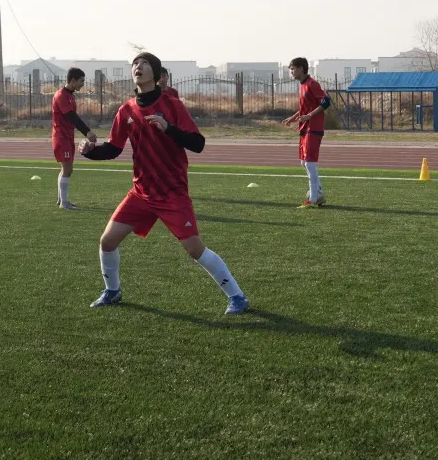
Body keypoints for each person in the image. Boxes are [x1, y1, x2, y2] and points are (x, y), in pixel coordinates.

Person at [83, 52, 250, 315]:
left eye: (144, 63)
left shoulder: (172, 105)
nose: (138, 67)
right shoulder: (126, 110)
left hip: (172, 193)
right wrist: (90, 152)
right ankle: (112, 291)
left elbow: (198, 144)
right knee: (107, 241)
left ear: (156, 74)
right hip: (141, 192)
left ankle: (238, 297)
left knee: (195, 250)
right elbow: (113, 148)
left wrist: (168, 128)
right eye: (134, 64)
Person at [281, 58, 329, 208]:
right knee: (304, 162)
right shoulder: (303, 85)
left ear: (301, 69)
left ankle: (313, 199)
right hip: (305, 128)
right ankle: (318, 193)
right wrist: (293, 117)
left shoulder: (312, 84)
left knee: (309, 162)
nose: (291, 72)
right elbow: (305, 108)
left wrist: (310, 116)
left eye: (293, 68)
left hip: (313, 128)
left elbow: (326, 102)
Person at [51, 68, 97, 209]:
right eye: (81, 81)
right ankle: (64, 203)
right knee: (68, 169)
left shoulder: (70, 95)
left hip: (68, 136)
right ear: (73, 80)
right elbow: (72, 117)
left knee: (66, 169)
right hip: (61, 137)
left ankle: (61, 200)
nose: (83, 84)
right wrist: (88, 132)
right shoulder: (61, 96)